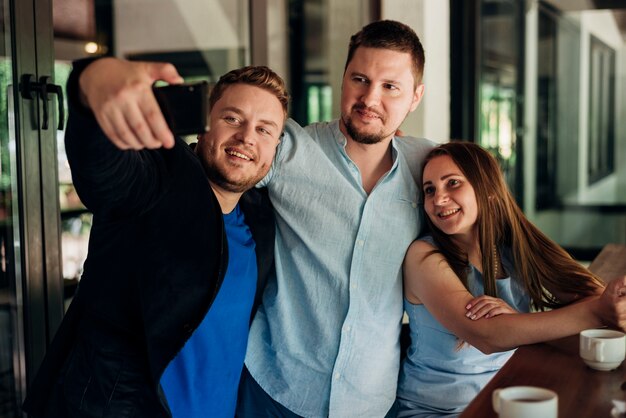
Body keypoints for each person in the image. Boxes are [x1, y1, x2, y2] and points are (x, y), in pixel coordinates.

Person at [22, 57, 288, 418]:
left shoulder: (262, 218)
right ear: (205, 125)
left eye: (264, 129)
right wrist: (91, 83)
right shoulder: (156, 181)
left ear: (276, 147)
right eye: (232, 118)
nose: (246, 136)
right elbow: (103, 169)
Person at [236, 20, 434, 417]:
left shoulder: (429, 167)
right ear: (343, 79)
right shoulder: (289, 148)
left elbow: (493, 230)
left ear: (415, 97)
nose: (369, 98)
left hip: (372, 399)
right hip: (275, 389)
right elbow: (217, 161)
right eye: (359, 79)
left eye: (390, 87)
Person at [394, 141, 626, 417]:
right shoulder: (423, 257)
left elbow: (594, 296)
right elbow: (487, 335)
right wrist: (597, 313)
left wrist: (516, 323)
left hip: (506, 399)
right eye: (429, 189)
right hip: (438, 411)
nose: (438, 199)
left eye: (452, 183)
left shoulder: (512, 249)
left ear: (488, 190)